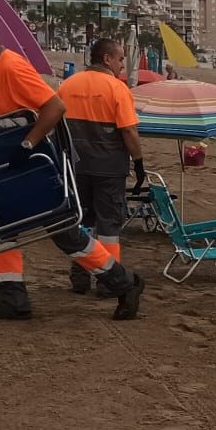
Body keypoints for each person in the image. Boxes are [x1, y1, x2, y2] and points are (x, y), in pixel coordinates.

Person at [0, 13, 144, 322]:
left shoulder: (11, 66)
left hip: (31, 163)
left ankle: (124, 282)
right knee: (2, 229)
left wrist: (27, 144)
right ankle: (12, 299)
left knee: (61, 231)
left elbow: (55, 107)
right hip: (18, 162)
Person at [59, 37, 148, 295]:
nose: (122, 64)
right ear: (107, 58)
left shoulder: (68, 85)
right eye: (120, 58)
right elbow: (129, 132)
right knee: (108, 224)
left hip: (76, 167)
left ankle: (80, 273)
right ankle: (109, 279)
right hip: (108, 168)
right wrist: (139, 164)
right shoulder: (116, 88)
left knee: (81, 221)